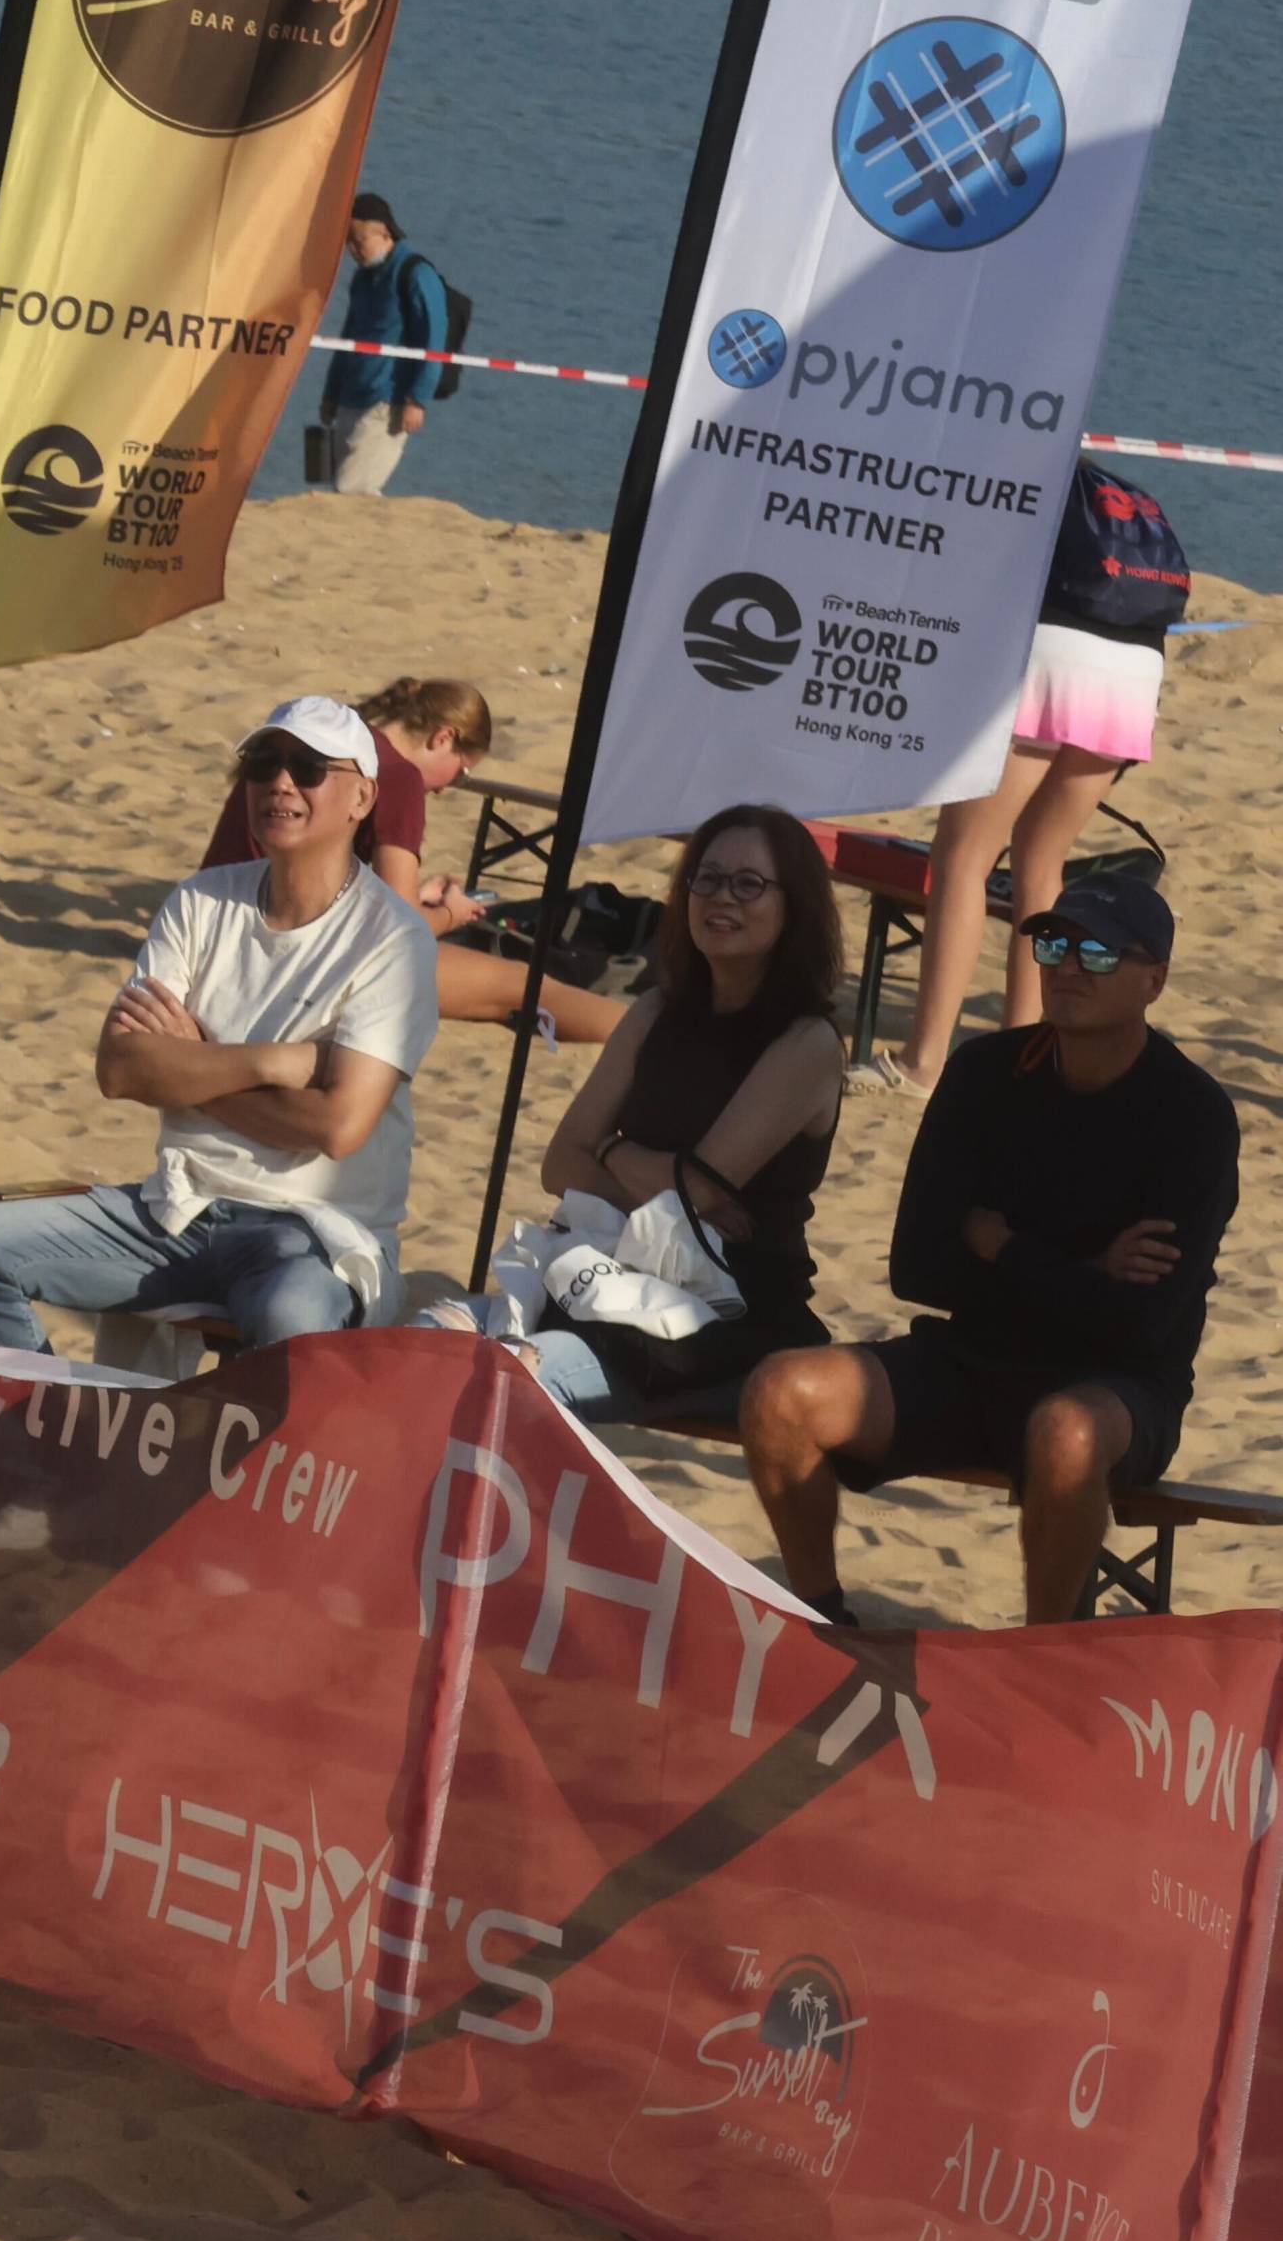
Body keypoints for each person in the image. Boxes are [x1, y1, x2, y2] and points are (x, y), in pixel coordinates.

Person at [741, 876, 1238, 1625]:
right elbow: (914, 1266)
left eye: (1097, 951)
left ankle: (1044, 1656)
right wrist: (1087, 1272)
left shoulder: (1193, 1116)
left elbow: (1139, 1329)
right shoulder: (982, 1073)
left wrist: (999, 1244)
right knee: (779, 1391)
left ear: (1153, 980)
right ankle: (821, 1621)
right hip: (969, 1360)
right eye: (1053, 943)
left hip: (1118, 1389)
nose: (1067, 966)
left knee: (1063, 1433)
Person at [0, 695, 442, 1352]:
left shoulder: (391, 938)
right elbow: (118, 1069)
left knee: (292, 1311)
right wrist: (268, 1062)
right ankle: (41, 1427)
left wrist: (194, 1062)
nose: (279, 782)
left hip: (315, 1229)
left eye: (308, 767)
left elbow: (335, 1128)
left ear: (361, 798)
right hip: (177, 1206)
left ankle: (249, 1458)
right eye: (263, 762)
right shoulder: (201, 899)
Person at [501, 807, 847, 1416]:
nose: (722, 898)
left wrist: (608, 1149)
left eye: (749, 884)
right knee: (455, 1343)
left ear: (795, 907)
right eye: (706, 879)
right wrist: (656, 1178)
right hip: (614, 1276)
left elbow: (692, 1192)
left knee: (522, 1380)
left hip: (727, 1309)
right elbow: (558, 1164)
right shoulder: (657, 1010)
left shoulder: (807, 1043)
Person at [888, 463, 1191, 1091]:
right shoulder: (1119, 494)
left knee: (963, 858)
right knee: (1042, 863)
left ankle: (924, 1062)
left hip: (1054, 651)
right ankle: (1023, 1051)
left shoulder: (1021, 477)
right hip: (1136, 668)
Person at [197, 676, 621, 1042]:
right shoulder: (395, 775)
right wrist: (451, 914)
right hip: (290, 949)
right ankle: (643, 1035)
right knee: (521, 986)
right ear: (443, 737)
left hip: (219, 922)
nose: (445, 788)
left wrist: (413, 894)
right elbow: (402, 931)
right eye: (460, 771)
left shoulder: (295, 751)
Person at [313, 195, 447, 496]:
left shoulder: (416, 274)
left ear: (385, 233)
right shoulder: (362, 280)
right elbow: (347, 339)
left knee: (352, 490)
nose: (352, 250)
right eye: (347, 242)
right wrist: (330, 394)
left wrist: (418, 399)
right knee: (322, 486)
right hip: (350, 396)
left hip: (388, 402)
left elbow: (434, 340)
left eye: (358, 241)